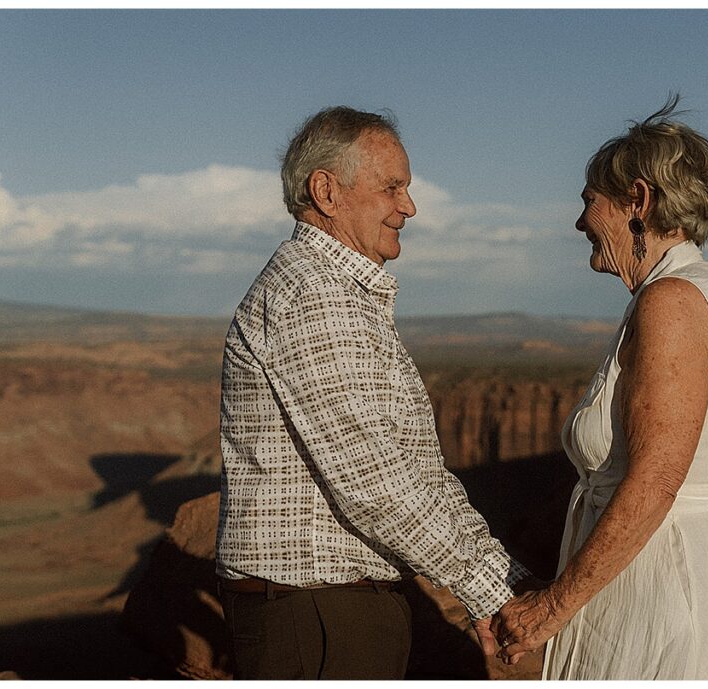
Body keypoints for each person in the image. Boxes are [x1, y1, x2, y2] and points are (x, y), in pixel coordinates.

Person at [214, 106, 527, 680]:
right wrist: (492, 589)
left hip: (330, 607)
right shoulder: (316, 296)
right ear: (326, 191)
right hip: (320, 613)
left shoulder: (337, 292)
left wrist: (502, 573)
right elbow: (375, 481)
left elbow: (417, 472)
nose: (408, 207)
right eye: (392, 187)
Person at [490, 96, 708, 679]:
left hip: (675, 594)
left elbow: (654, 484)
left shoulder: (671, 302)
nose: (580, 223)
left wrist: (551, 610)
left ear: (639, 200)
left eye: (588, 202)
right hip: (672, 578)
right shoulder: (688, 288)